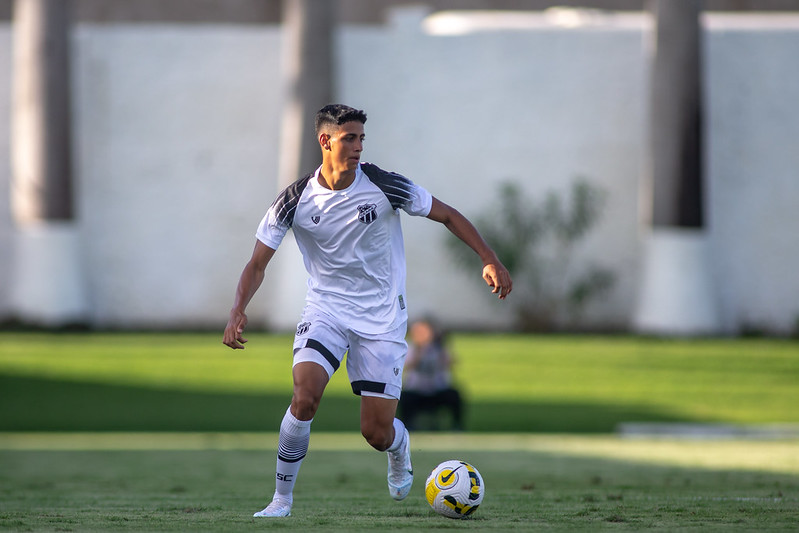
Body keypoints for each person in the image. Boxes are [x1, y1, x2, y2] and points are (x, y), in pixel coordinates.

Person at [222, 104, 512, 518]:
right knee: (304, 398)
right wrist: (237, 310)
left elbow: (446, 214)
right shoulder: (295, 199)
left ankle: (398, 447)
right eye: (349, 138)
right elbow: (256, 264)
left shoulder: (383, 184)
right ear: (325, 141)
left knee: (375, 432)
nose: (358, 147)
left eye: (361, 138)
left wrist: (489, 257)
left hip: (381, 320)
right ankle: (280, 501)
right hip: (326, 311)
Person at [399, 318, 464, 431]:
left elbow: (450, 363)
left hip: (437, 390)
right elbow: (408, 366)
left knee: (454, 395)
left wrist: (442, 347)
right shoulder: (411, 347)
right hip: (417, 390)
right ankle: (407, 425)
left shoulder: (439, 348)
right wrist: (420, 349)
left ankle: (457, 426)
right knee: (404, 397)